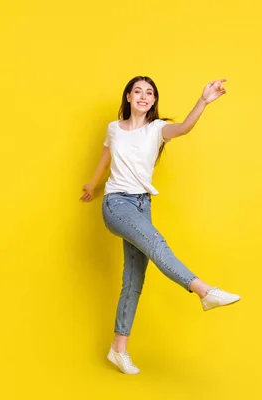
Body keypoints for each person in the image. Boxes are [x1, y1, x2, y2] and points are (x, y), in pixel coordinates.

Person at [80, 76, 240, 375]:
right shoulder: (114, 129)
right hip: (117, 204)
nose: (143, 96)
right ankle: (205, 292)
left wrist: (203, 100)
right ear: (128, 96)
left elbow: (184, 128)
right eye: (137, 91)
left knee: (134, 280)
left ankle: (118, 349)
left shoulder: (156, 130)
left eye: (149, 93)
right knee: (156, 244)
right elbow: (105, 157)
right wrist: (92, 185)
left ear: (153, 101)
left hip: (142, 204)